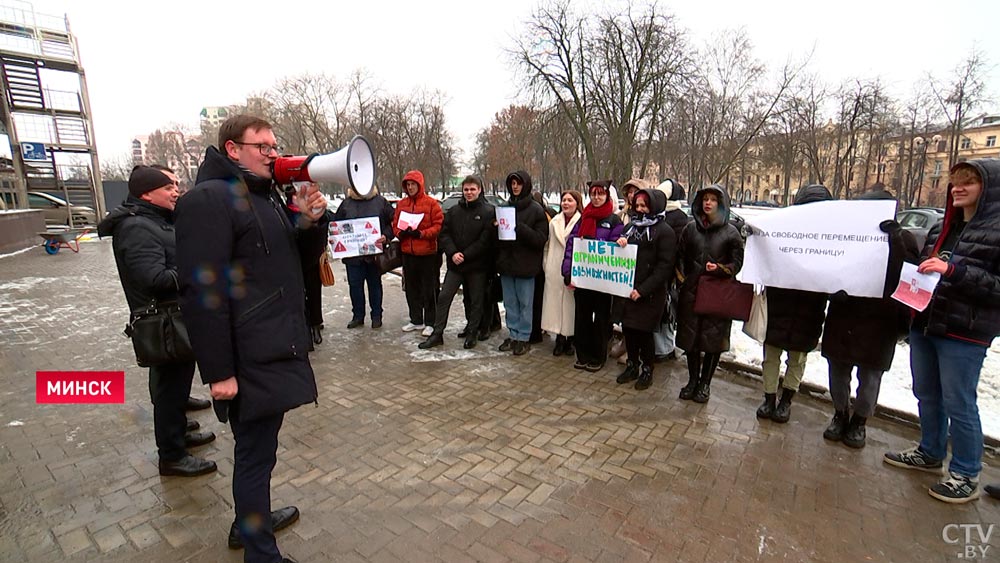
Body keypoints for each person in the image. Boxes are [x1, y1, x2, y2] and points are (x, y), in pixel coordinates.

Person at [176, 114, 327, 561]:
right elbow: (201, 291)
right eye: (260, 145)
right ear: (232, 149)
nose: (272, 152)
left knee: (261, 450)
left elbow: (292, 264)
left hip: (273, 343)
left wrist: (308, 221)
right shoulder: (209, 201)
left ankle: (251, 519)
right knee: (255, 455)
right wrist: (219, 371)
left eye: (274, 145)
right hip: (246, 353)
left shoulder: (265, 197)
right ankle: (259, 550)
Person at [884, 160, 1000, 504]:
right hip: (925, 323)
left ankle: (966, 472)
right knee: (927, 393)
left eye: (968, 183)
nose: (957, 189)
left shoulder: (996, 231)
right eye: (954, 184)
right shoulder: (939, 229)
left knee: (959, 401)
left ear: (989, 189)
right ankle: (931, 451)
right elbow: (923, 272)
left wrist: (954, 270)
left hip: (964, 332)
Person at [98, 165, 217, 478]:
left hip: (173, 318)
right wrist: (195, 271)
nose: (175, 191)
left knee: (176, 388)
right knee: (168, 392)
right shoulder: (137, 228)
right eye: (168, 187)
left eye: (175, 185)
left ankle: (179, 436)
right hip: (162, 323)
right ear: (147, 193)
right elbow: (154, 278)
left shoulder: (153, 221)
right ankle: (172, 456)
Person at [821, 189, 919, 448]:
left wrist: (896, 240)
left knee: (871, 376)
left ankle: (860, 422)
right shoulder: (848, 237)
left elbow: (908, 276)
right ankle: (840, 415)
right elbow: (827, 267)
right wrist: (833, 291)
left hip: (880, 321)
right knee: (838, 371)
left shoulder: (903, 238)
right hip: (845, 315)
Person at [754, 184, 832, 424]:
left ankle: (786, 400)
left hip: (809, 307)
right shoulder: (784, 229)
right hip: (780, 303)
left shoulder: (831, 236)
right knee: (771, 355)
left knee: (797, 359)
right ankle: (769, 398)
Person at [676, 185, 744, 403]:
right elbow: (679, 257)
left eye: (713, 200)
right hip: (692, 293)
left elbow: (738, 263)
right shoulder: (690, 229)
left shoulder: (731, 233)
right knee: (691, 341)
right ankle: (692, 380)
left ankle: (705, 384)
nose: (708, 203)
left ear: (721, 204)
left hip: (717, 295)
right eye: (705, 199)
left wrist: (722, 270)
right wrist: (682, 281)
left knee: (712, 343)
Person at [419, 175, 496, 349]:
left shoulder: (488, 211)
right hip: (456, 265)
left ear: (479, 190)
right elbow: (444, 234)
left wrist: (466, 255)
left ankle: (472, 332)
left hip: (477, 266)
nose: (469, 193)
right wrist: (453, 252)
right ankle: (437, 333)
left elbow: (485, 241)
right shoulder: (454, 211)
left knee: (475, 300)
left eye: (472, 189)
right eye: (466, 189)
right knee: (444, 296)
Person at [614, 188, 677, 390]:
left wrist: (643, 290)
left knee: (644, 333)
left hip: (649, 293)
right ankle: (632, 364)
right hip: (628, 287)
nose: (640, 210)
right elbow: (621, 254)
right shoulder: (631, 227)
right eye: (637, 205)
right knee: (629, 330)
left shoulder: (664, 232)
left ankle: (647, 368)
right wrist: (620, 243)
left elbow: (664, 267)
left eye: (644, 206)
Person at [564, 180, 624, 371]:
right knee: (581, 318)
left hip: (603, 284)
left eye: (600, 194)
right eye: (593, 194)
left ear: (607, 196)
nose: (596, 198)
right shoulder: (583, 219)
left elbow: (616, 249)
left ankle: (598, 356)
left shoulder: (614, 221)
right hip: (583, 280)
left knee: (600, 320)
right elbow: (571, 247)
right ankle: (582, 354)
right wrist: (567, 272)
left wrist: (621, 243)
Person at [496, 170, 549, 355]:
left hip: (526, 265)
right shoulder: (504, 207)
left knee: (525, 303)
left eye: (518, 183)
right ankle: (513, 333)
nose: (515, 186)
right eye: (512, 183)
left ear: (525, 184)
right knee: (510, 303)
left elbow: (540, 239)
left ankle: (524, 337)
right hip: (507, 264)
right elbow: (497, 239)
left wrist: (520, 227)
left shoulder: (536, 210)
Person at [333, 182, 395, 329]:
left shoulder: (380, 202)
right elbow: (335, 225)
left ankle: (376, 316)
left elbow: (393, 223)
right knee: (355, 287)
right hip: (353, 257)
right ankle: (358, 316)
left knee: (375, 286)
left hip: (373, 256)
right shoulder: (346, 204)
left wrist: (386, 236)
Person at [393, 170, 444, 337]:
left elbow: (438, 226)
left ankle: (431, 321)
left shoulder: (432, 204)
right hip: (408, 252)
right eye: (407, 185)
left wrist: (421, 234)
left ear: (420, 185)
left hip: (427, 253)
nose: (410, 187)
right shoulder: (402, 204)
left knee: (429, 289)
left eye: (413, 184)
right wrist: (401, 233)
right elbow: (395, 224)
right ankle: (416, 319)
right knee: (411, 288)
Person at [541, 190, 582, 356]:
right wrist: (546, 264)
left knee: (570, 306)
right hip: (554, 268)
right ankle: (558, 338)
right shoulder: (554, 222)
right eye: (564, 200)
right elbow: (547, 245)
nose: (565, 203)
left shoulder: (582, 221)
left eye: (570, 200)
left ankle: (569, 339)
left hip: (573, 269)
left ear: (577, 203)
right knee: (555, 305)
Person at [652, 179, 689, 361]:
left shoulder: (679, 217)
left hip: (669, 272)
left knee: (666, 312)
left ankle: (664, 349)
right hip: (656, 269)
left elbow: (678, 247)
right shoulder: (659, 215)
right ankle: (658, 347)